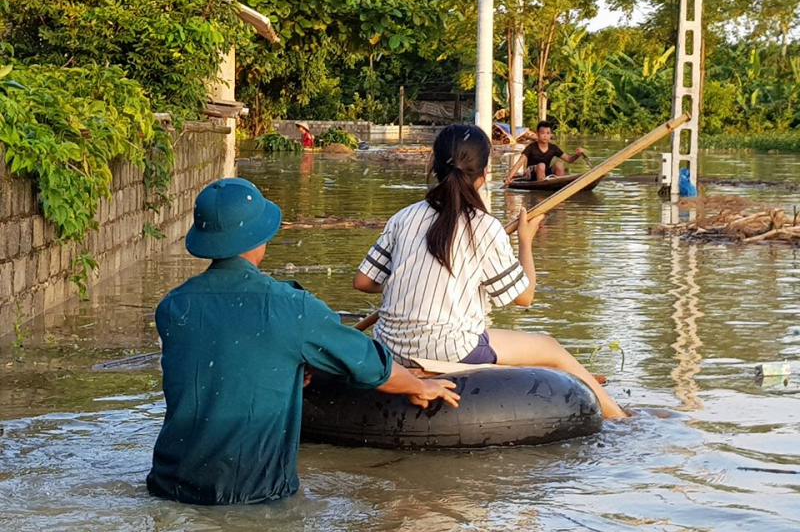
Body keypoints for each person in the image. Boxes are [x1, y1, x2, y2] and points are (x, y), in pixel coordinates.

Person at [147, 178, 459, 505]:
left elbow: (217, 370)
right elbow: (368, 364)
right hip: (253, 497)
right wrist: (418, 386)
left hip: (169, 487)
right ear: (260, 238)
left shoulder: (173, 306)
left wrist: (284, 374)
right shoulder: (293, 308)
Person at [354, 124, 627, 419]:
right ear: (483, 175)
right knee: (550, 348)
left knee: (522, 357)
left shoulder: (402, 218)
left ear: (434, 165)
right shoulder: (485, 227)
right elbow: (524, 297)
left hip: (388, 345)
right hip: (452, 348)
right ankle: (622, 420)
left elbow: (364, 282)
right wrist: (525, 242)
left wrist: (409, 278)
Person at [504, 120, 584, 183]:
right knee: (541, 165)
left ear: (550, 135)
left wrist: (577, 155)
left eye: (548, 133)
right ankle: (541, 188)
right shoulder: (531, 147)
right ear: (537, 134)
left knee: (559, 165)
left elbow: (569, 159)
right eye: (542, 133)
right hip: (531, 174)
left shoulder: (553, 148)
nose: (545, 136)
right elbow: (519, 163)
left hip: (544, 172)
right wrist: (509, 177)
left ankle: (559, 186)